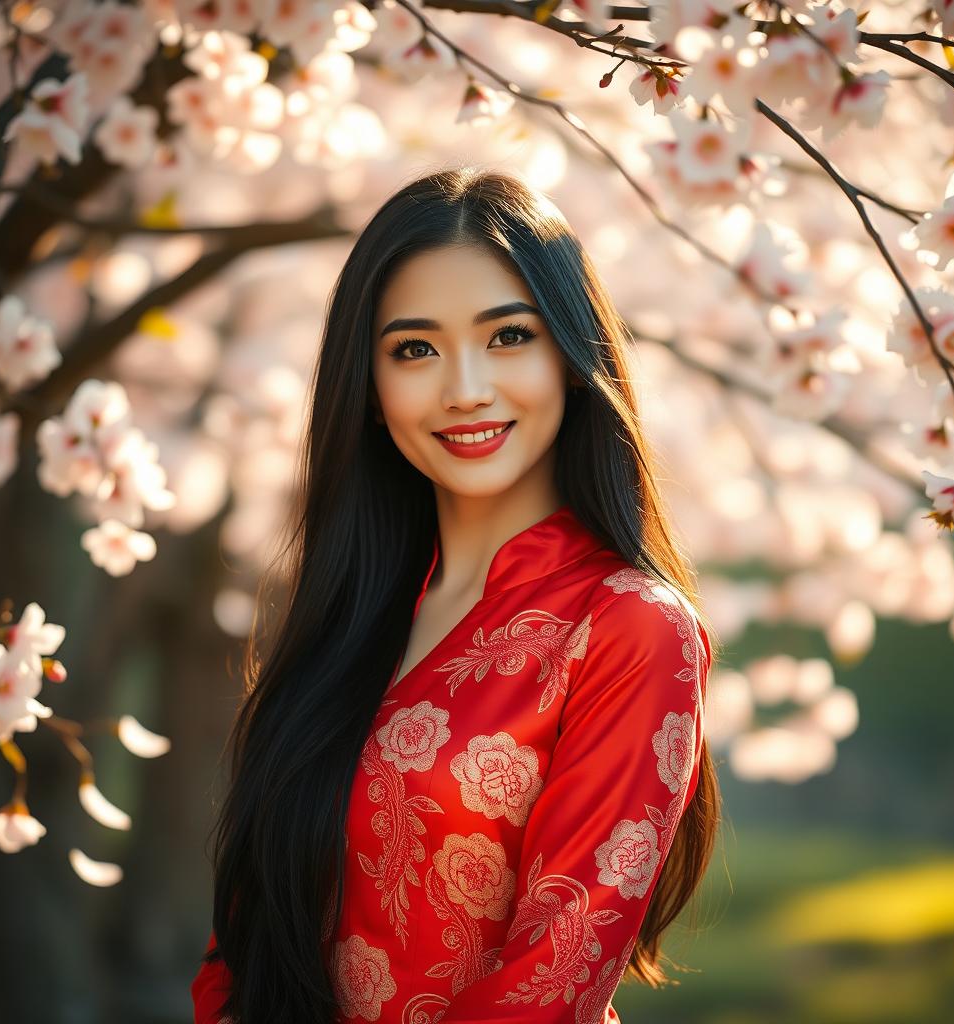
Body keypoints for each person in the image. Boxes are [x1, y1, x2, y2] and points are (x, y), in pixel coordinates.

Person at [191, 166, 722, 1024]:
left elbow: (557, 976)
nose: (465, 387)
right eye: (414, 349)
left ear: (573, 355)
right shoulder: (350, 614)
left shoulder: (628, 627)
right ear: (367, 389)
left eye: (508, 336)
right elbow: (248, 934)